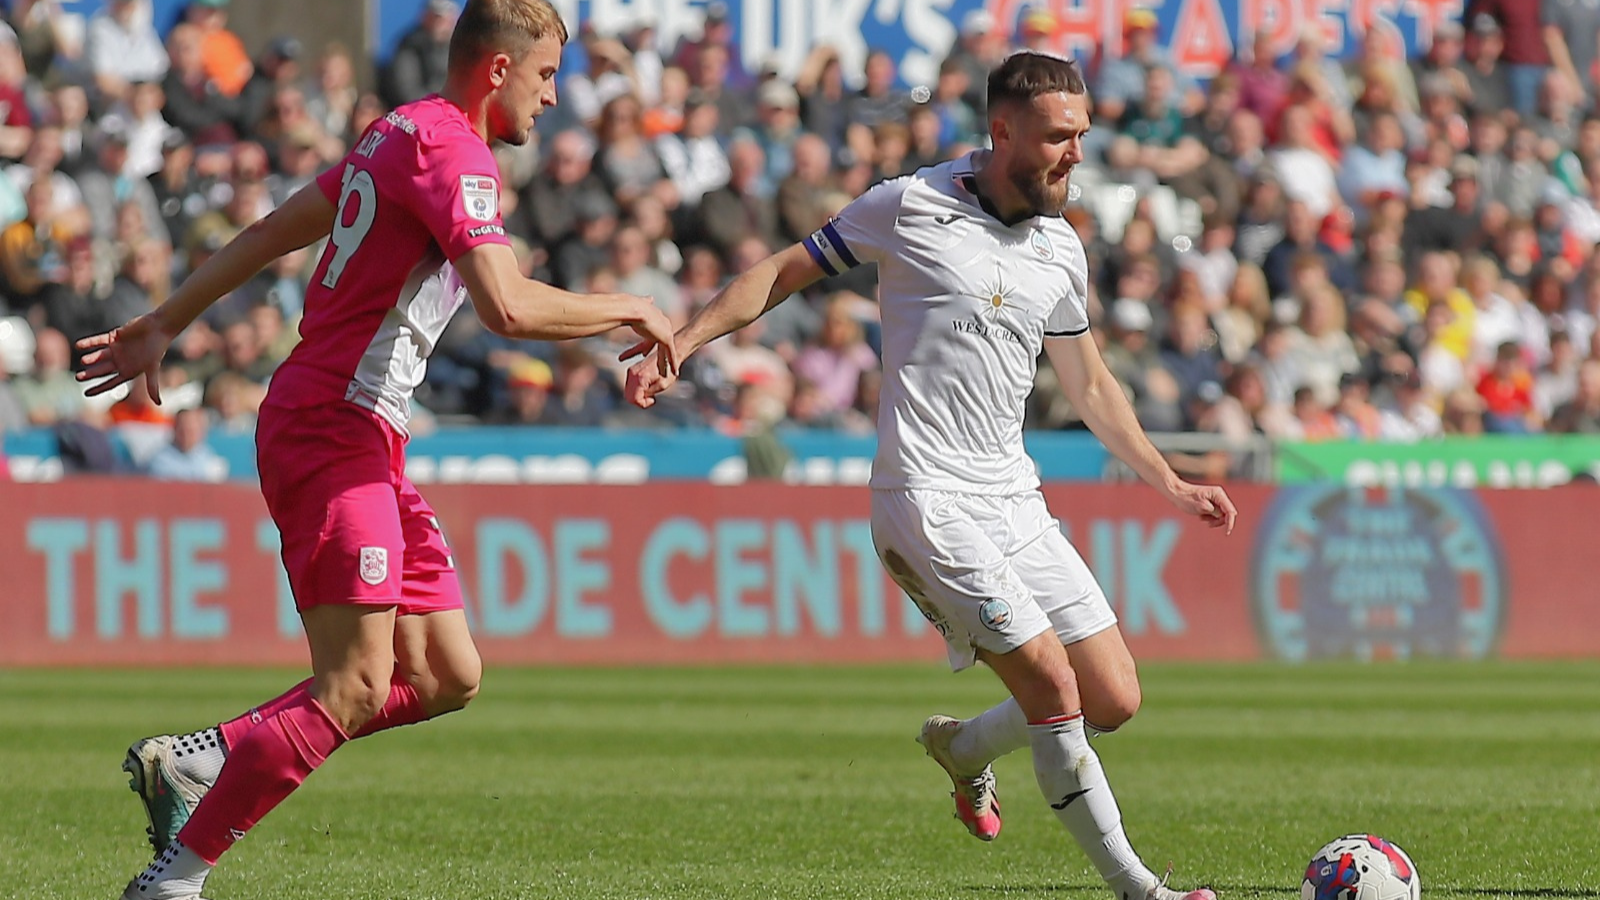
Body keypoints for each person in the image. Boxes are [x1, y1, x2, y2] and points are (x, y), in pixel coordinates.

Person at [79, 3, 676, 898]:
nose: (556, 97)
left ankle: (206, 756)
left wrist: (168, 319)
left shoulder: (396, 131)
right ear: (499, 71)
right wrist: (628, 305)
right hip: (333, 427)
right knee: (355, 683)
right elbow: (505, 308)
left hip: (359, 432)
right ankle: (173, 880)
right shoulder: (456, 154)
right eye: (548, 76)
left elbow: (277, 225)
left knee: (445, 673)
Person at [623, 51, 1230, 900]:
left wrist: (1169, 480)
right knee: (1053, 684)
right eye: (1060, 137)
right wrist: (683, 343)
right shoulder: (908, 205)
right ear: (1004, 129)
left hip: (1014, 498)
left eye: (1083, 136)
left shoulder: (1059, 246)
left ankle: (963, 747)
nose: (1075, 155)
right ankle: (1139, 889)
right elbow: (782, 271)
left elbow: (1090, 383)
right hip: (924, 498)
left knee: (1113, 697)